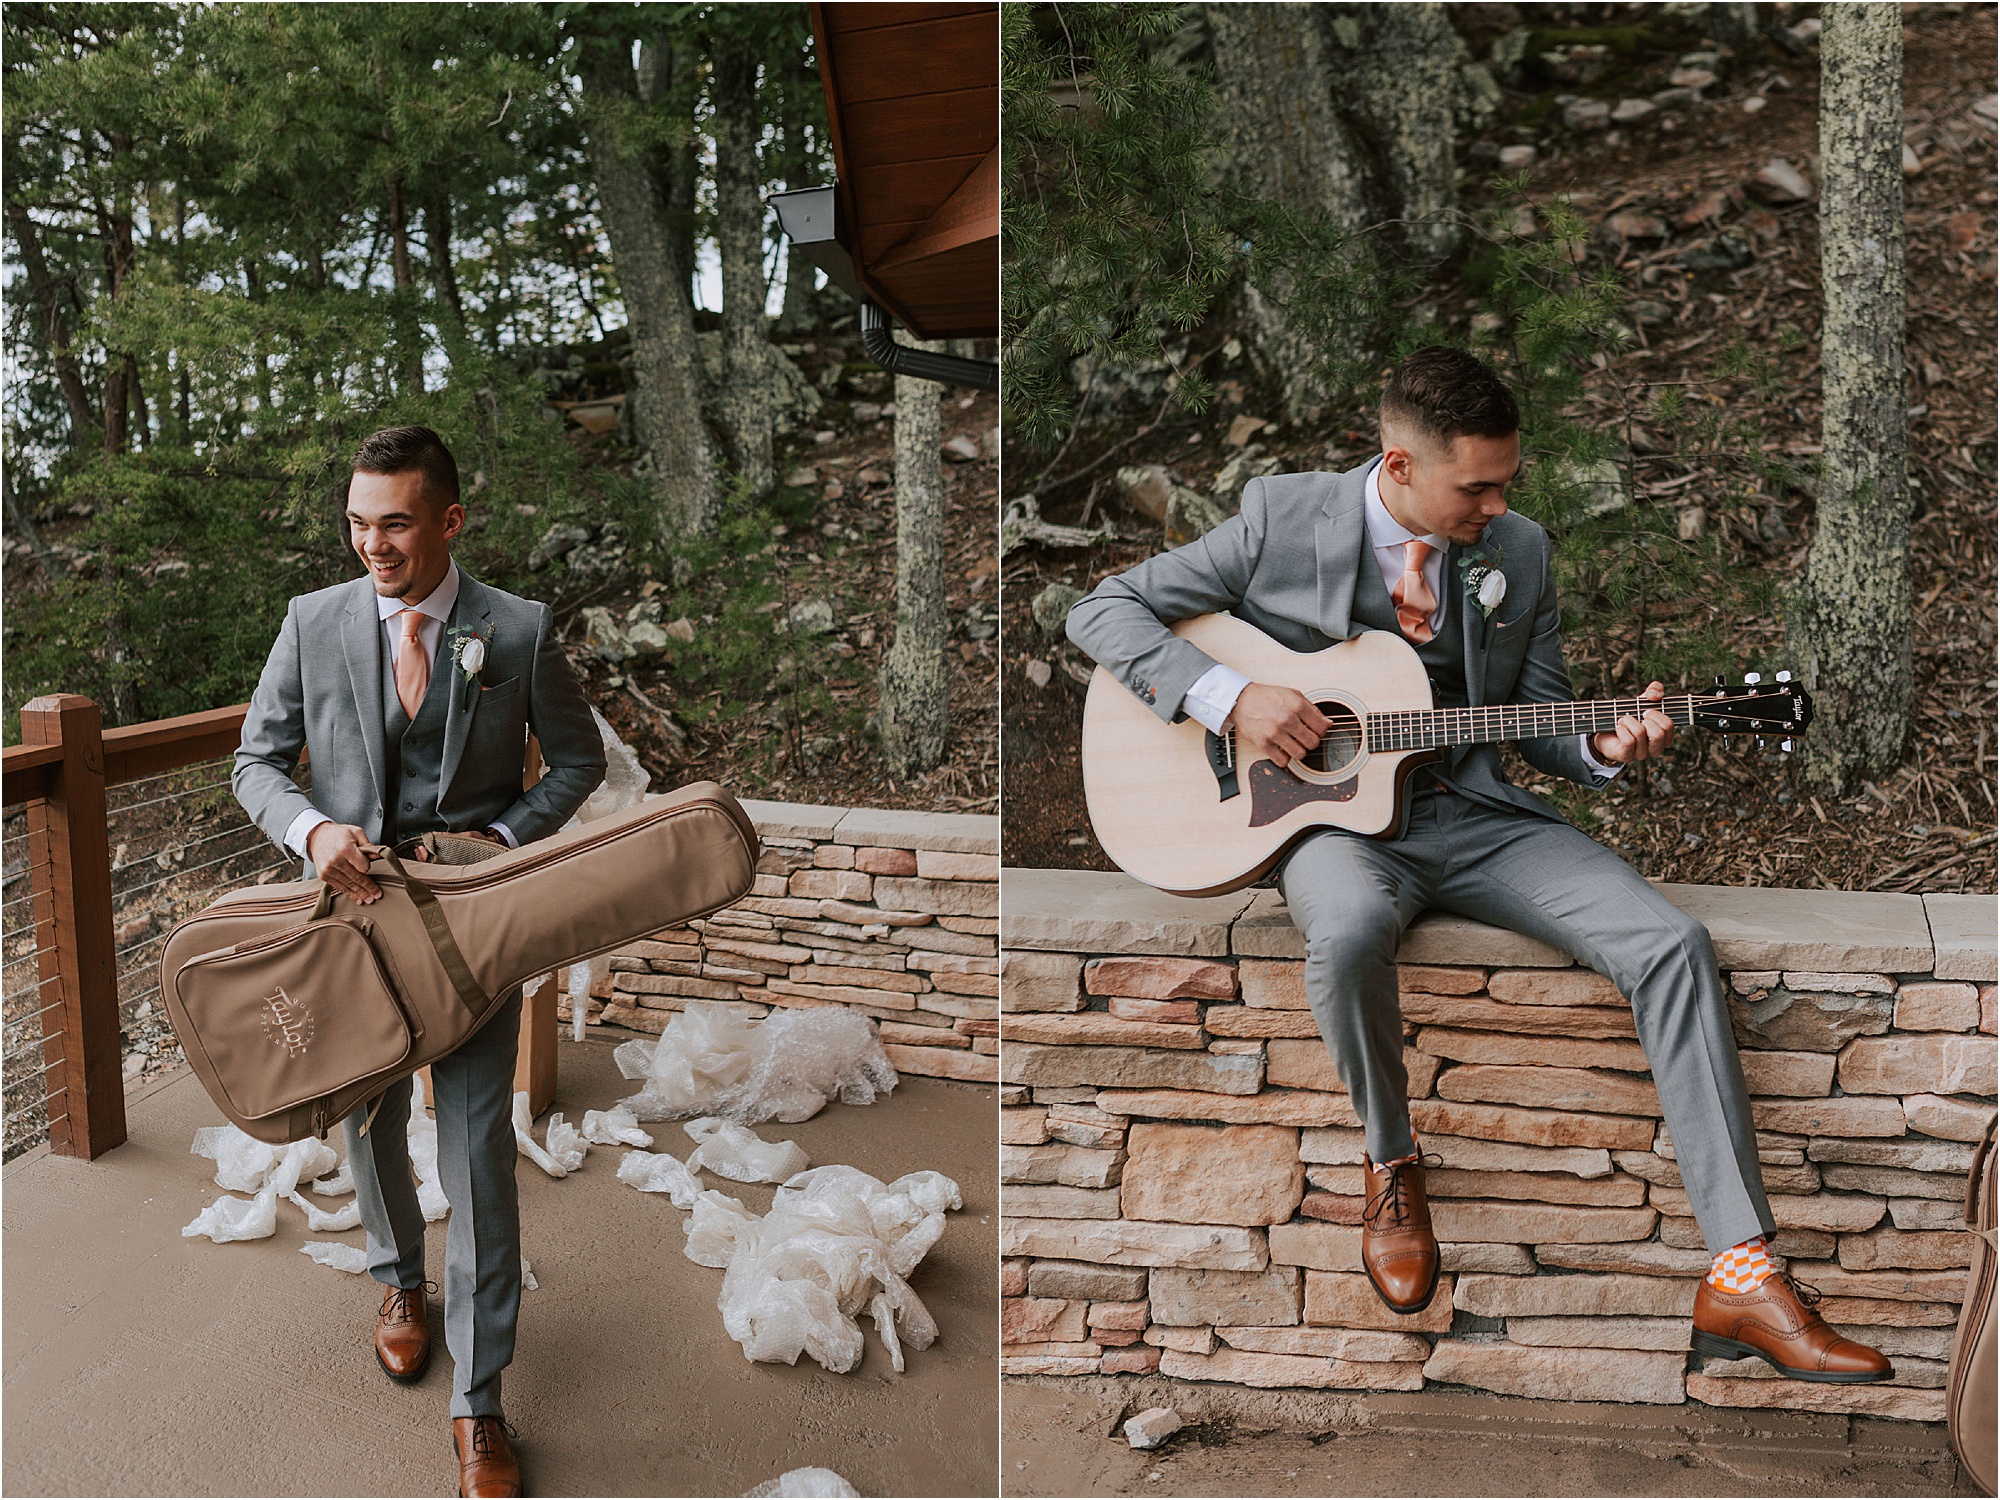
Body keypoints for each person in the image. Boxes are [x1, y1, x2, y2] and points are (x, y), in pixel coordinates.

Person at [1066, 346, 1892, 1384]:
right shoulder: (1283, 520)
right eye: (1477, 485)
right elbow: (1100, 611)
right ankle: (1390, 1166)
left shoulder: (1519, 553)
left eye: (1507, 481)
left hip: (1476, 815)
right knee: (1350, 930)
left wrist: (1599, 745)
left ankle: (1739, 1270)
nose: (1498, 506)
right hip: (1326, 829)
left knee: (1669, 941)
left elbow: (1539, 716)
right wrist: (1235, 699)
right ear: (1399, 464)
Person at [234, 424, 607, 1495]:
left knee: (480, 1153)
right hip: (349, 933)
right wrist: (312, 833)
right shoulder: (311, 623)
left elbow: (575, 761)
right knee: (369, 1118)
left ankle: (479, 1401)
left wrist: (501, 839)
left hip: (473, 929)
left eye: (394, 522)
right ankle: (400, 1282)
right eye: (357, 523)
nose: (372, 545)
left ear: (448, 519)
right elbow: (257, 762)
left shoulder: (517, 630)